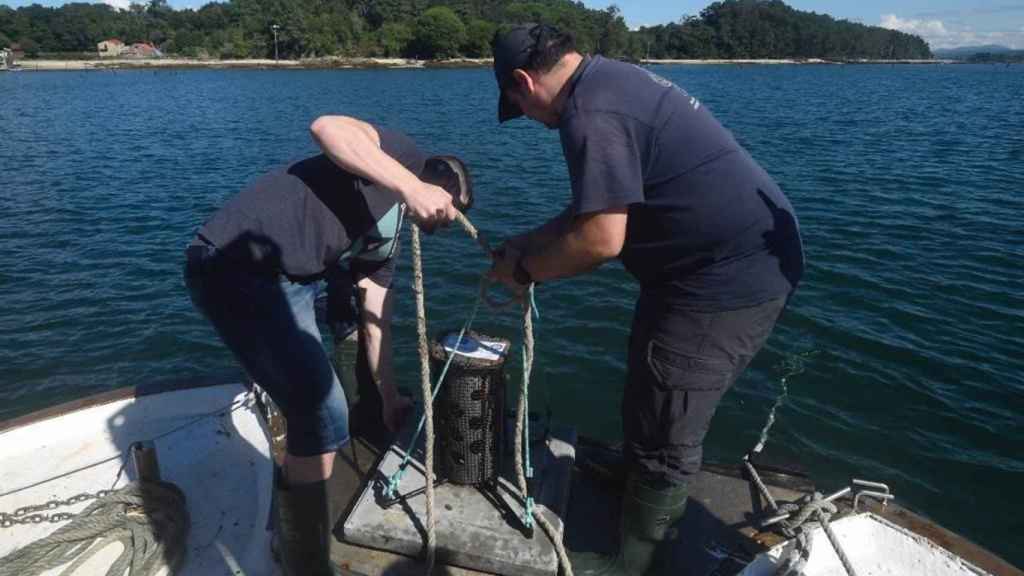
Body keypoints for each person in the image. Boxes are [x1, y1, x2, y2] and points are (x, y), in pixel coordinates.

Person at [487, 24, 804, 575]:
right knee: (649, 377)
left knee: (670, 412)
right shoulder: (610, 82)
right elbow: (595, 210)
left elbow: (600, 239)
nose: (535, 124)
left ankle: (634, 562)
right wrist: (526, 244)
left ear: (523, 80)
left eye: (521, 108)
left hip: (725, 280)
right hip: (692, 270)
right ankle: (635, 473)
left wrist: (526, 273)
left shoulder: (590, 114)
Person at [183, 115, 472, 576]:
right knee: (323, 415)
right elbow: (326, 128)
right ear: (435, 184)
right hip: (236, 266)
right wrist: (411, 185)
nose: (444, 218)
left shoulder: (386, 241)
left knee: (317, 411)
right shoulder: (403, 156)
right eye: (448, 205)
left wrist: (388, 394)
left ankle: (292, 521)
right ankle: (306, 563)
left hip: (292, 284)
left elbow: (377, 322)